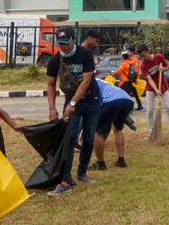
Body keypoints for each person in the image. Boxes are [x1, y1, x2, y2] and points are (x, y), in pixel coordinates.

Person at [45, 26, 100, 196]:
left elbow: (86, 81)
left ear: (74, 40)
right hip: (71, 101)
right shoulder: (55, 60)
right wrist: (52, 108)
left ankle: (82, 172)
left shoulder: (84, 55)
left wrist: (74, 102)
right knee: (69, 138)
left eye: (67, 43)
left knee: (89, 138)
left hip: (91, 100)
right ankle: (65, 180)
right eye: (60, 44)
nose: (64, 47)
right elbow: (50, 84)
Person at [89, 78, 135, 170]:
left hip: (112, 101)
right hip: (128, 101)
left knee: (98, 132)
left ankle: (100, 163)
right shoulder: (102, 82)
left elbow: (97, 102)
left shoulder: (91, 83)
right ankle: (121, 160)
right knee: (117, 129)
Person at [139, 43, 169, 139]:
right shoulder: (143, 66)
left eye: (144, 55)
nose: (143, 58)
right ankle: (152, 132)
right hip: (151, 88)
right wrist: (156, 90)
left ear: (148, 52)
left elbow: (168, 66)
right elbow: (149, 79)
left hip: (162, 85)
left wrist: (163, 69)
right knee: (150, 111)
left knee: (168, 107)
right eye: (141, 57)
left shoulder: (158, 57)